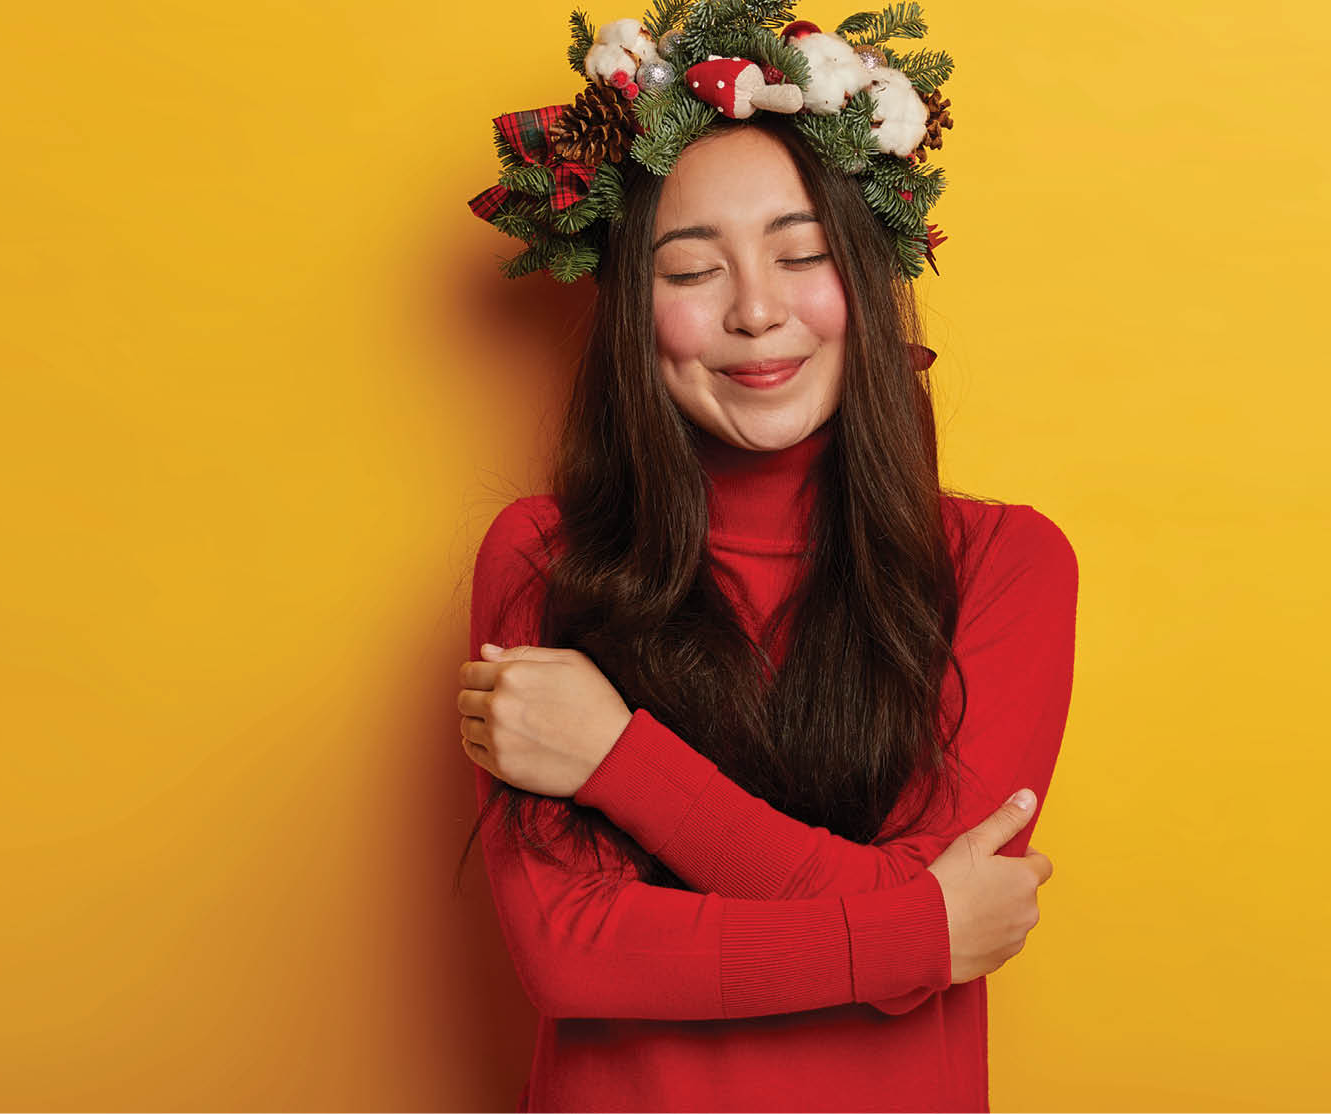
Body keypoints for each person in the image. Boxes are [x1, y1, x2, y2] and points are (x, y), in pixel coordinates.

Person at [453, 7, 1078, 1113]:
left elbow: (961, 897)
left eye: (802, 255)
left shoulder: (1004, 562)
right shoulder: (540, 560)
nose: (757, 311)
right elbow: (570, 954)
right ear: (631, 315)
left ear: (871, 280)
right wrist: (913, 933)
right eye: (692, 271)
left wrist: (616, 760)